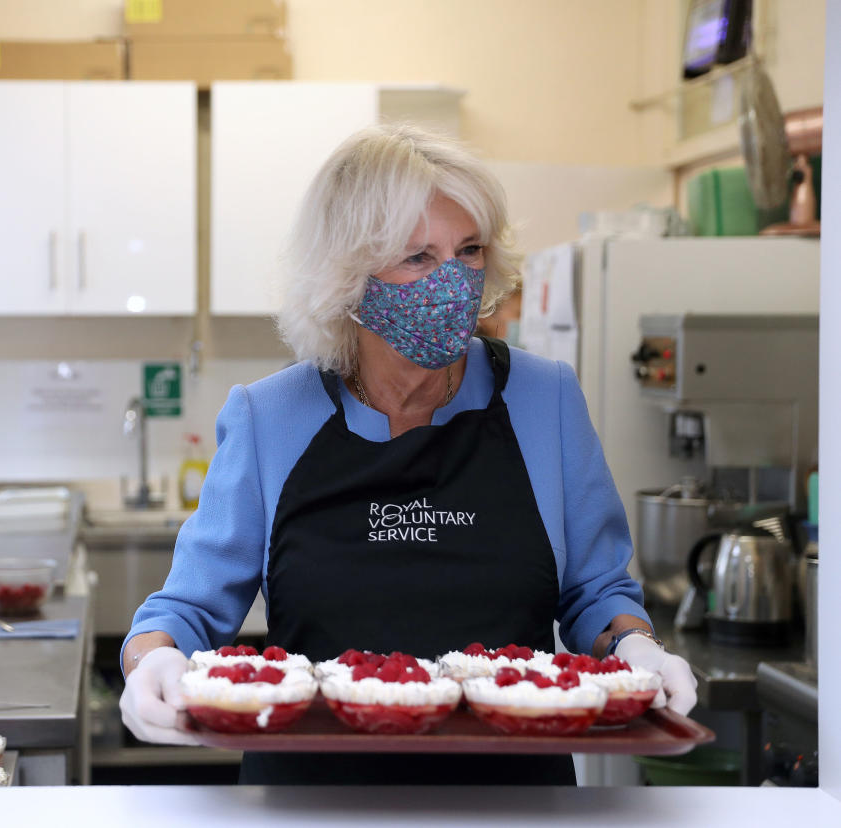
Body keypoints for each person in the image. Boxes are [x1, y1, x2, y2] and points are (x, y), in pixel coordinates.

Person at [119, 123, 697, 785]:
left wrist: (635, 645)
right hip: (311, 800)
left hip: (514, 800)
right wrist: (153, 661)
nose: (451, 283)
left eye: (470, 250)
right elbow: (188, 609)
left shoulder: (546, 399)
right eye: (418, 257)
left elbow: (596, 590)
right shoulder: (270, 416)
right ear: (347, 275)